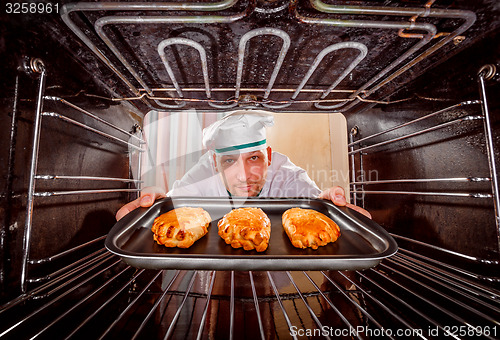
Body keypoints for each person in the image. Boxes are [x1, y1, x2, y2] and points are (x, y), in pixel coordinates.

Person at [116, 110, 371, 220]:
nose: (244, 175)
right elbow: (172, 203)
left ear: (269, 155)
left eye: (254, 158)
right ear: (215, 163)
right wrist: (156, 204)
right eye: (229, 161)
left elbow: (315, 204)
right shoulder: (204, 171)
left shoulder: (286, 173)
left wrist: (329, 204)